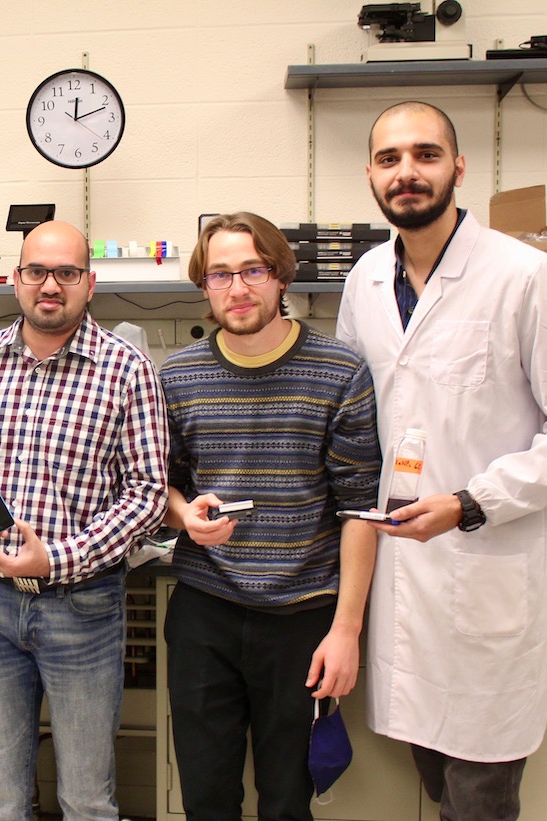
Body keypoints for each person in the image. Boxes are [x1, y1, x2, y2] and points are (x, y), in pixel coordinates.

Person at [337, 101, 547, 820]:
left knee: (481, 797)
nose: (407, 172)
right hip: (399, 575)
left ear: (458, 167)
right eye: (390, 158)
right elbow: (353, 415)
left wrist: (470, 501)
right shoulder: (364, 279)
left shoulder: (528, 276)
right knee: (432, 775)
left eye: (426, 155)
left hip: (483, 562)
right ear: (370, 173)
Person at [0, 220, 169, 820]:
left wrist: (58, 559)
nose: (50, 285)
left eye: (66, 273)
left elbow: (147, 493)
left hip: (83, 608)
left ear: (89, 284)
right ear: (15, 280)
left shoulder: (126, 370)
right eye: (37, 271)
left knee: (88, 800)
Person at [159, 212, 381, 819]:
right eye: (220, 274)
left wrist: (346, 630)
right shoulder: (178, 376)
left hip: (302, 620)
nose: (237, 289)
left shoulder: (339, 372)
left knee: (287, 803)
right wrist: (186, 516)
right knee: (207, 799)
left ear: (281, 276)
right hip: (205, 616)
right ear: (203, 285)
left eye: (252, 270)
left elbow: (361, 509)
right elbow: (163, 487)